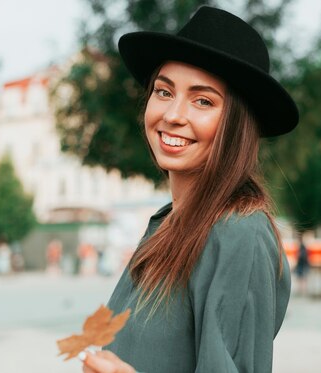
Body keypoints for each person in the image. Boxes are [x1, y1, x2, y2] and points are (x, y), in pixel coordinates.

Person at [80, 6, 298, 373]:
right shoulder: (166, 223)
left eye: (203, 100)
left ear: (236, 125)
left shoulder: (237, 233)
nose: (173, 114)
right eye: (164, 91)